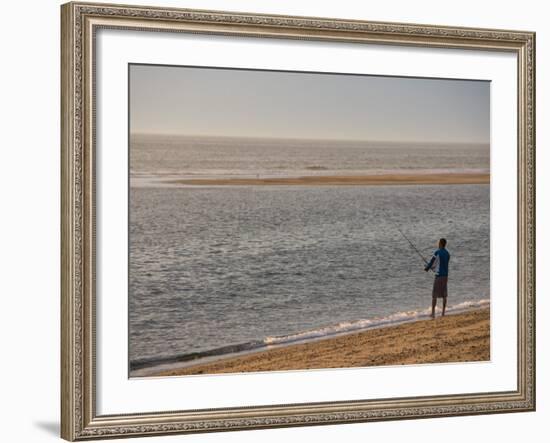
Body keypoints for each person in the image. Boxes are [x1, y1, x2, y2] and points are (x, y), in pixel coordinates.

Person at [425, 238, 451, 318]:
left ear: (440, 244)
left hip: (439, 276)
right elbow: (442, 264)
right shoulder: (448, 253)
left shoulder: (437, 252)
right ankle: (443, 313)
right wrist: (433, 268)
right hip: (445, 276)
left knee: (434, 295)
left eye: (438, 242)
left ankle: (433, 313)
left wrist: (427, 268)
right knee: (444, 295)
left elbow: (432, 262)